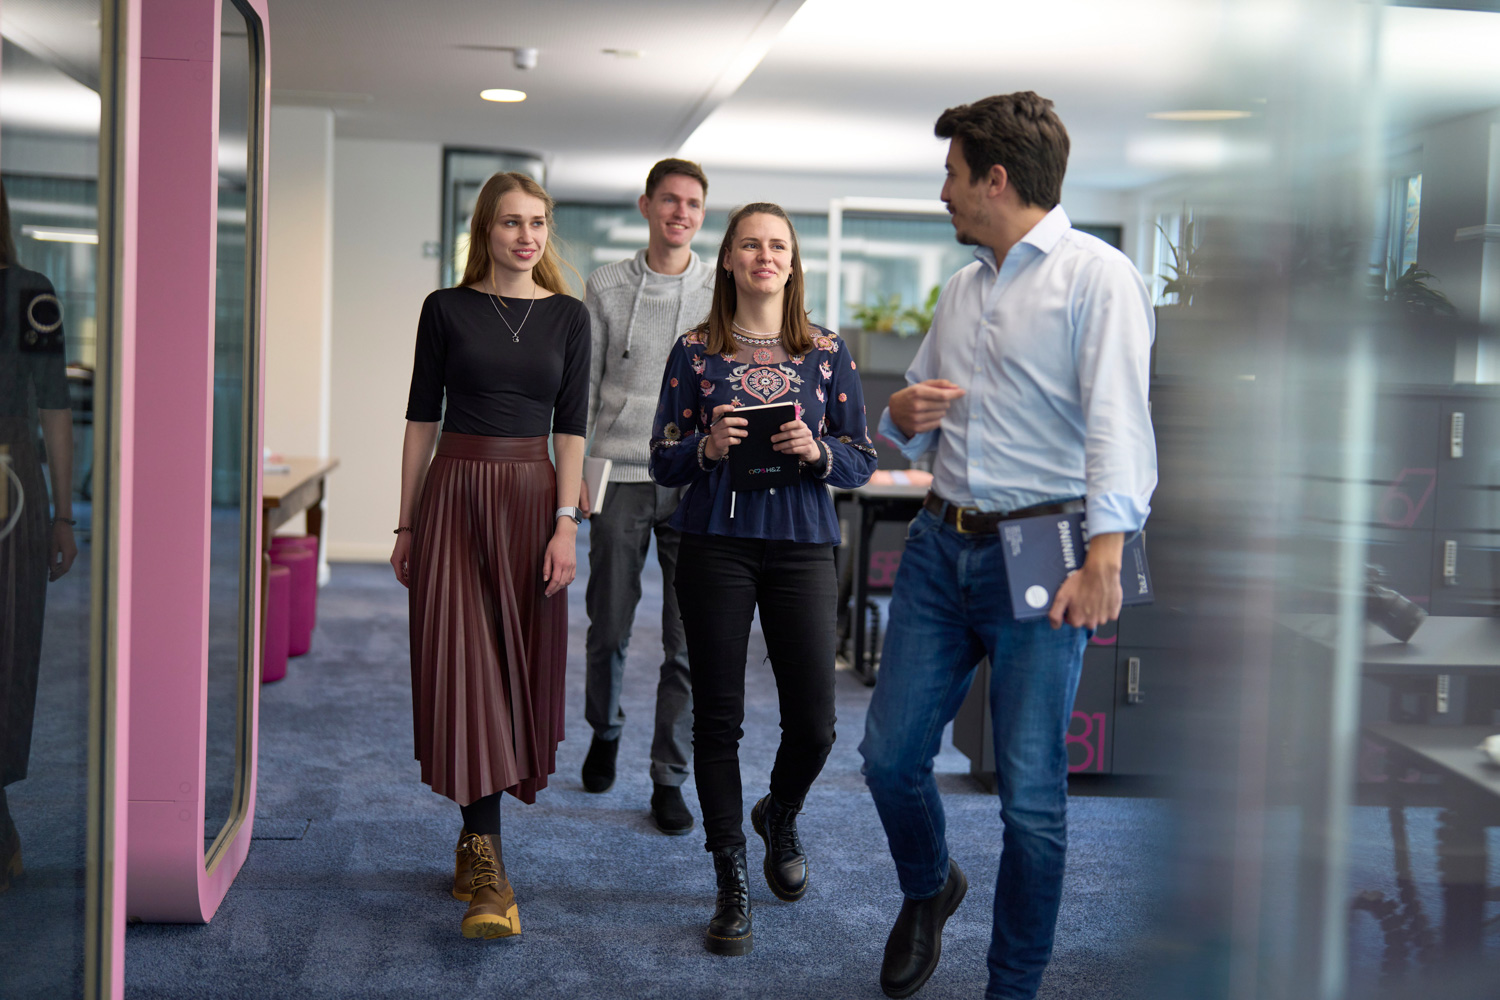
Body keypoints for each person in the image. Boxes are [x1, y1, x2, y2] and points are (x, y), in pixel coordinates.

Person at [859, 92, 1156, 1000]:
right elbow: (917, 413)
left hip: (1047, 551)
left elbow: (1118, 423)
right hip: (941, 548)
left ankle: (1012, 985)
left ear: (995, 178)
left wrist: (1107, 551)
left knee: (1031, 800)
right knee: (889, 757)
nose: (941, 191)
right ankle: (929, 887)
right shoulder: (962, 288)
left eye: (951, 173)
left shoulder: (1096, 276)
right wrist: (898, 416)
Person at [649, 202, 877, 956]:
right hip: (715, 544)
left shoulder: (826, 353)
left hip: (803, 546)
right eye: (750, 243)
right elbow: (662, 456)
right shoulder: (694, 353)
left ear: (792, 260)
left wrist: (818, 453)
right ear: (727, 259)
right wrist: (706, 447)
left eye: (777, 244)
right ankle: (731, 879)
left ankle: (780, 812)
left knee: (815, 720)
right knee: (718, 718)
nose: (764, 255)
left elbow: (862, 458)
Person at [390, 171, 590, 940]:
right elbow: (418, 422)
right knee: (463, 670)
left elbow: (571, 431)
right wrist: (406, 524)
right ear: (486, 230)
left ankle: (476, 838)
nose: (527, 236)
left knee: (514, 672)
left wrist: (566, 522)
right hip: (454, 498)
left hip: (531, 502)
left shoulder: (569, 319)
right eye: (511, 222)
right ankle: (490, 871)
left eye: (537, 222)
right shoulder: (445, 309)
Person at [580, 159, 714, 836]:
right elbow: (581, 389)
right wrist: (572, 469)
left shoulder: (721, 290)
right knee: (608, 626)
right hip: (621, 474)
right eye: (670, 200)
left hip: (693, 480)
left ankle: (669, 775)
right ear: (646, 205)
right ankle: (604, 729)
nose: (681, 212)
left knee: (686, 643)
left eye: (692, 203)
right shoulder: (604, 287)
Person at [0, 181, 78, 893]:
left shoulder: (31, 293)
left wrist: (60, 512)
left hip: (11, 486)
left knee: (8, 643)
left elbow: (55, 404)